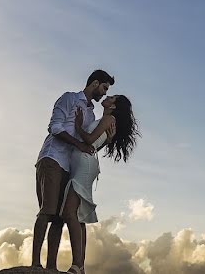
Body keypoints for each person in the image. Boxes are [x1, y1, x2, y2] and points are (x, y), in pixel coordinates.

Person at [31, 69, 114, 271]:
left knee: (59, 217)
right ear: (95, 83)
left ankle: (51, 267)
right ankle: (35, 265)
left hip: (70, 166)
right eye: (104, 88)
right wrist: (80, 144)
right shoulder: (69, 98)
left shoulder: (91, 113)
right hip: (52, 158)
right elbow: (55, 127)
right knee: (47, 212)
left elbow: (88, 142)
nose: (104, 93)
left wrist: (106, 139)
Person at [60, 94, 139, 274]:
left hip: (84, 165)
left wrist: (78, 126)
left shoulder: (109, 118)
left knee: (69, 213)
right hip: (82, 162)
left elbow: (88, 140)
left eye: (112, 98)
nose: (108, 97)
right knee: (78, 216)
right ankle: (79, 266)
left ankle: (77, 265)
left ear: (113, 107)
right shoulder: (104, 119)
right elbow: (94, 144)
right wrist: (108, 140)